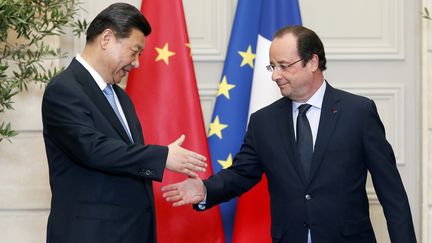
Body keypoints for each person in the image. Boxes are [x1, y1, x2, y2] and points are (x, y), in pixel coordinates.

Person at [162, 25, 417, 243]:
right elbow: (241, 174)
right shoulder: (264, 122)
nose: (275, 75)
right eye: (272, 66)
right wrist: (205, 189)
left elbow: (391, 192)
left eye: (284, 66)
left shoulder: (358, 112)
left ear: (313, 62)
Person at [41, 3, 207, 243]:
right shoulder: (64, 89)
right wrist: (162, 157)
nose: (137, 63)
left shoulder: (121, 98)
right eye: (134, 51)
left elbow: (124, 162)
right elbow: (92, 149)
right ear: (107, 38)